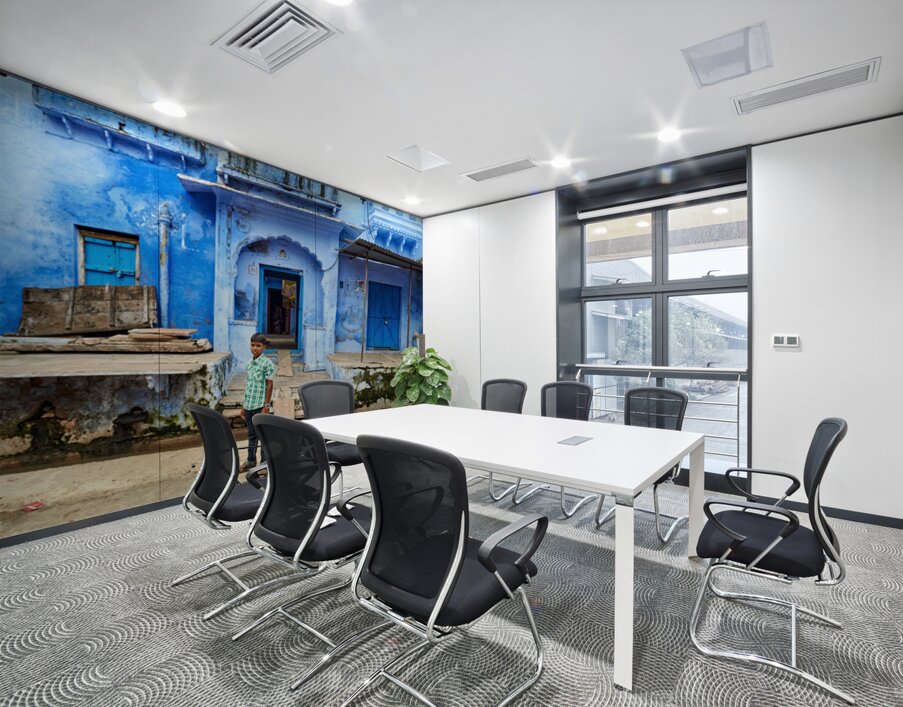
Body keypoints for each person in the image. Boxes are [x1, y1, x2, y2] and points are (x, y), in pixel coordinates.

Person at [240, 332, 276, 471]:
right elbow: (249, 385)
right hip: (249, 405)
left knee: (263, 435)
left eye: (258, 345)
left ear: (264, 347)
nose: (254, 348)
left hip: (260, 406)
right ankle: (250, 461)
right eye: (252, 345)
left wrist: (266, 405)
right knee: (251, 435)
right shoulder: (249, 363)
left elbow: (269, 385)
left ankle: (264, 465)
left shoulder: (267, 364)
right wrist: (244, 405)